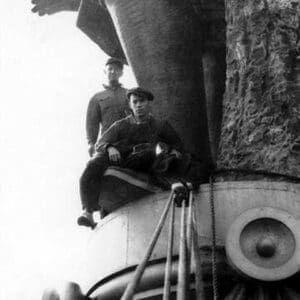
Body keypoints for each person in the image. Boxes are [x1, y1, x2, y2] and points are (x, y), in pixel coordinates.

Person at [77, 87, 185, 228]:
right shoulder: (121, 125)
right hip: (122, 159)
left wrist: (171, 151)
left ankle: (176, 184)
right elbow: (100, 143)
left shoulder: (160, 125)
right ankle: (88, 212)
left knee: (159, 155)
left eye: (142, 101)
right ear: (130, 105)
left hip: (146, 160)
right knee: (93, 163)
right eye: (135, 102)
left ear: (148, 103)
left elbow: (177, 146)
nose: (138, 105)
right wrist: (110, 148)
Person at [86, 57, 128, 157]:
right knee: (94, 167)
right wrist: (91, 143)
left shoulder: (129, 94)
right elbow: (92, 123)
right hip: (107, 143)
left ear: (121, 73)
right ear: (105, 71)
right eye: (110, 69)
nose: (113, 72)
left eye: (117, 69)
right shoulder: (97, 98)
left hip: (128, 141)